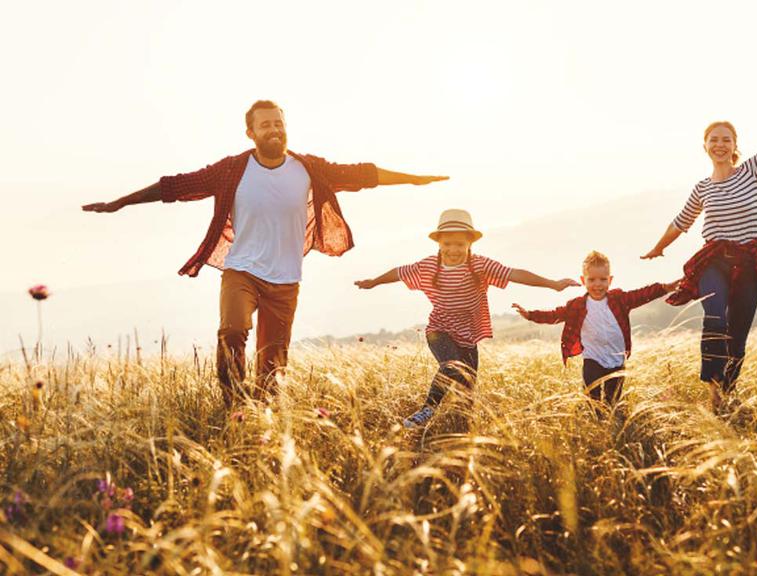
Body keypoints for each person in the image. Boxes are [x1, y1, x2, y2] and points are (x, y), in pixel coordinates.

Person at [82, 100, 448, 405]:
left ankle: (260, 416)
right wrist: (120, 203)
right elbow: (176, 186)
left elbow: (362, 174)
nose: (274, 129)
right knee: (233, 330)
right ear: (251, 133)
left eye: (279, 123)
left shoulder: (309, 168)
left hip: (286, 279)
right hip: (241, 270)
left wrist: (414, 179)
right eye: (265, 125)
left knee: (273, 364)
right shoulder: (231, 170)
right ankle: (234, 403)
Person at [642, 76, 757, 411]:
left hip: (747, 262)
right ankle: (713, 388)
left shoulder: (752, 171)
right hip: (713, 262)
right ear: (705, 146)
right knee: (715, 318)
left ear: (734, 145)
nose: (720, 144)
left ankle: (726, 394)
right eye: (713, 140)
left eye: (726, 140)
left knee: (738, 337)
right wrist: (659, 248)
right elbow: (680, 222)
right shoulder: (702, 188)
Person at [354, 209, 579, 428]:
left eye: (460, 244)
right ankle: (428, 409)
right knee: (452, 366)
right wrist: (374, 281)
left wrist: (553, 284)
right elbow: (399, 272)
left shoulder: (479, 265)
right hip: (438, 331)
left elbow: (515, 273)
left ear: (470, 244)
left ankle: (460, 434)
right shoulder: (429, 266)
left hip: (468, 337)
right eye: (447, 244)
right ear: (439, 244)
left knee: (467, 392)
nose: (453, 249)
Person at [512, 251, 680, 409]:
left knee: (612, 402)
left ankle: (611, 425)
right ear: (583, 280)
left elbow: (643, 294)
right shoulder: (578, 305)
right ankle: (593, 420)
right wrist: (530, 315)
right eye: (592, 280)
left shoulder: (620, 300)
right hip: (592, 359)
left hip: (617, 361)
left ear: (610, 280)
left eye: (602, 279)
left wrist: (665, 287)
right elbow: (555, 315)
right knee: (592, 398)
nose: (597, 284)